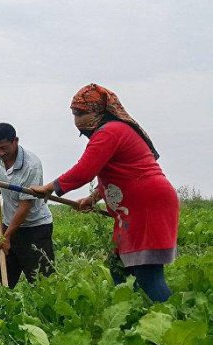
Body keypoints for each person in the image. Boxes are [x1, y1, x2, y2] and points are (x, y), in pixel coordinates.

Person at [31, 83, 179, 302]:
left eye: (81, 113)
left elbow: (84, 171)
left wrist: (49, 187)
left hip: (147, 205)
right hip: (135, 208)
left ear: (99, 111)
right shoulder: (111, 132)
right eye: (74, 113)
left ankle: (172, 319)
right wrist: (93, 198)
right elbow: (115, 174)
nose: (77, 119)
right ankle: (136, 314)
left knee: (147, 272)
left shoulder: (110, 132)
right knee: (119, 267)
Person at [0, 123, 55, 288]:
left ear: (15, 141)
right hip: (9, 224)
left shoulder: (32, 166)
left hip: (35, 228)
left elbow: (25, 206)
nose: (0, 153)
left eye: (4, 148)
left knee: (43, 283)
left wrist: (6, 237)